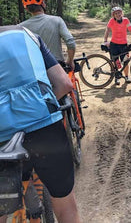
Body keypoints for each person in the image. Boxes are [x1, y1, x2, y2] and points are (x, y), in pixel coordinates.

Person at [0, 25, 81, 223]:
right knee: (65, 206)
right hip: (45, 129)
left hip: (3, 137)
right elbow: (64, 85)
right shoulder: (26, 35)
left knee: (4, 212)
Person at [19, 0, 76, 70]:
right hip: (57, 67)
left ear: (27, 9)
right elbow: (71, 43)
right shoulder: (57, 20)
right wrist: (70, 61)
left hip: (35, 69)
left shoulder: (21, 27)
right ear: (43, 4)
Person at [103, 6, 131, 85]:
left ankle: (127, 76)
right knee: (116, 62)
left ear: (122, 13)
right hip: (114, 44)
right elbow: (107, 30)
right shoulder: (111, 21)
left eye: (119, 13)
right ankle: (117, 77)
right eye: (116, 13)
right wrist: (105, 40)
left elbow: (130, 29)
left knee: (125, 61)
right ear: (113, 15)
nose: (118, 14)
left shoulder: (126, 20)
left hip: (123, 44)